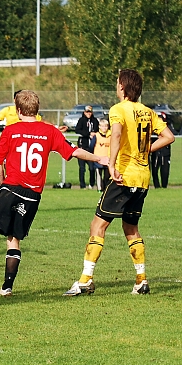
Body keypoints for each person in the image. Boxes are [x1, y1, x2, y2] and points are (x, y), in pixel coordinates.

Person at [0, 90, 106, 298]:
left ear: (17, 110)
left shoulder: (11, 130)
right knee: (13, 237)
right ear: (38, 109)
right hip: (33, 195)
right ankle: (7, 287)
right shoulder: (49, 131)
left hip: (12, 187)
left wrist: (2, 183)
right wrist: (100, 159)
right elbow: (74, 151)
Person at [65, 69, 174, 297]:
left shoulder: (118, 109)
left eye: (117, 83)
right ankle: (141, 280)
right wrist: (145, 151)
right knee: (130, 228)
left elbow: (115, 135)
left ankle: (85, 280)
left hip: (124, 175)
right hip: (143, 178)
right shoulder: (147, 111)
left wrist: (112, 165)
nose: (116, 87)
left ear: (123, 86)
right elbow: (169, 137)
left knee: (98, 225)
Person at [74, 105, 99, 189]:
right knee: (82, 168)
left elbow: (98, 131)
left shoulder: (95, 121)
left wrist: (95, 134)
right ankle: (82, 185)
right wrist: (88, 134)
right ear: (84, 112)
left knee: (92, 168)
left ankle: (92, 184)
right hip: (82, 147)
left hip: (91, 149)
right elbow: (77, 130)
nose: (88, 114)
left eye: (90, 112)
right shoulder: (81, 120)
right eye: (87, 112)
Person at [150, 112, 172, 189]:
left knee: (165, 170)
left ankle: (164, 186)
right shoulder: (152, 129)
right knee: (154, 170)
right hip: (155, 153)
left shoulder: (167, 128)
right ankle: (157, 186)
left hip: (165, 153)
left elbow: (171, 136)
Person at [92, 118, 111, 191]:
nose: (104, 128)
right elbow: (91, 146)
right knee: (99, 174)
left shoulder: (111, 135)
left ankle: (106, 188)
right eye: (102, 126)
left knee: (107, 175)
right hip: (98, 158)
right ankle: (99, 188)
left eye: (106, 126)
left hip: (108, 158)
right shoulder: (96, 136)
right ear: (99, 127)